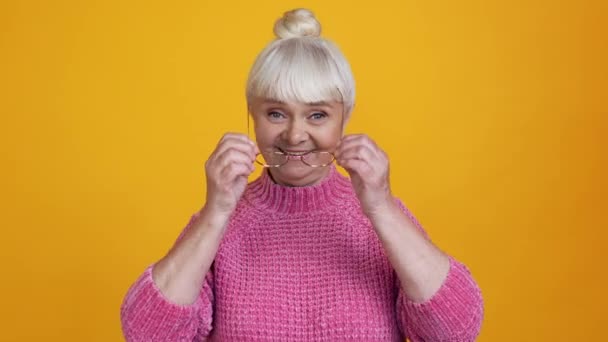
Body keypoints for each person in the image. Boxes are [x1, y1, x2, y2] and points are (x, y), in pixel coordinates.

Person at [120, 8, 484, 342]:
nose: (295, 135)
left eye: (317, 115)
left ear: (346, 116)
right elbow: (147, 334)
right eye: (276, 113)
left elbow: (455, 331)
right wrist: (216, 213)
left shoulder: (379, 217)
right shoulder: (221, 222)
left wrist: (382, 207)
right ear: (252, 113)